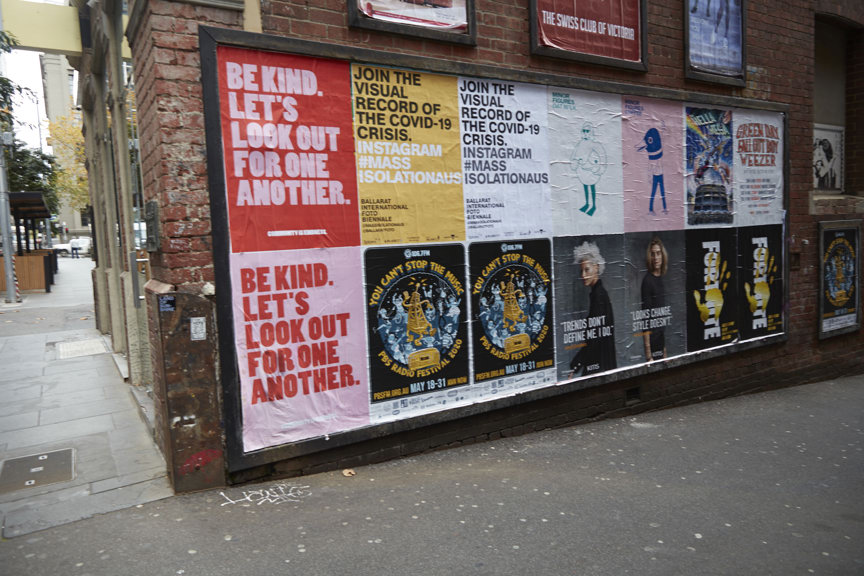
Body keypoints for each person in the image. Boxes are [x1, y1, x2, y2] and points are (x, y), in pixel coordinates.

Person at [569, 241, 616, 377]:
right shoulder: (598, 294)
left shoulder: (598, 296)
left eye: (587, 269)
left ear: (596, 268)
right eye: (581, 271)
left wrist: (576, 365)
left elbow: (595, 338)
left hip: (599, 363)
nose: (583, 275)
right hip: (601, 362)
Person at [641, 237, 668, 361]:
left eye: (658, 253)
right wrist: (648, 354)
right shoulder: (647, 281)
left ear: (663, 256)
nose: (656, 258)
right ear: (649, 257)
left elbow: (660, 318)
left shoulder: (660, 279)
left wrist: (664, 349)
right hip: (652, 343)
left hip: (660, 341)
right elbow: (645, 318)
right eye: (653, 254)